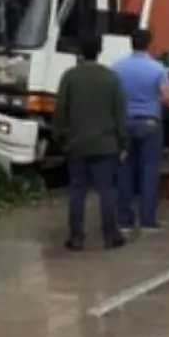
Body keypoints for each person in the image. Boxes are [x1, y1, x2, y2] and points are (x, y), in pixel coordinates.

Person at [54, 34, 128, 251]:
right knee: (107, 190)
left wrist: (60, 137)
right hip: (106, 144)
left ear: (79, 52)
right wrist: (123, 142)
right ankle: (111, 235)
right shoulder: (111, 78)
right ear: (100, 50)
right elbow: (119, 113)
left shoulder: (69, 77)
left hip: (77, 144)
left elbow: (60, 111)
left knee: (77, 190)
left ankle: (76, 237)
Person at [111, 29, 169, 230]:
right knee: (149, 171)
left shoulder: (116, 68)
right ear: (149, 44)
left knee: (124, 170)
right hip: (150, 124)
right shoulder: (157, 69)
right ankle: (148, 219)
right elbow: (167, 98)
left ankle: (124, 218)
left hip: (124, 124)